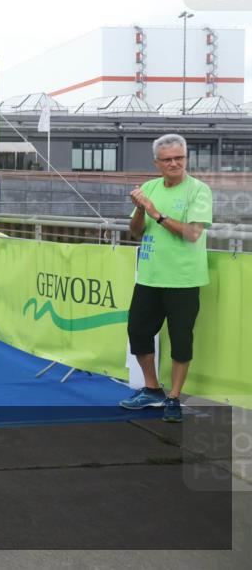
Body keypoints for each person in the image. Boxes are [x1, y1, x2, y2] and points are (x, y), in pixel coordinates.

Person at [120, 133, 213, 423]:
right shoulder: (149, 187)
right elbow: (135, 232)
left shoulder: (198, 190)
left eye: (179, 158)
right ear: (157, 163)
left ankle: (173, 397)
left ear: (186, 158)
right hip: (149, 277)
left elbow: (192, 233)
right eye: (168, 159)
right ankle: (152, 389)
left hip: (183, 279)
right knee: (138, 332)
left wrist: (156, 213)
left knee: (181, 340)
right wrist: (140, 208)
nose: (174, 163)